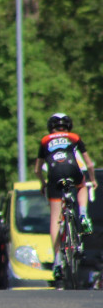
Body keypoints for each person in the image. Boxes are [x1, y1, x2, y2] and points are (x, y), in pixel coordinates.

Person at [34, 112, 97, 279]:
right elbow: (89, 163)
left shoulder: (45, 140)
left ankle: (56, 262)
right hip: (72, 169)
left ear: (51, 127)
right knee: (82, 186)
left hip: (54, 174)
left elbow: (37, 170)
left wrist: (43, 183)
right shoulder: (74, 137)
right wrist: (93, 179)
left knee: (55, 218)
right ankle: (83, 216)